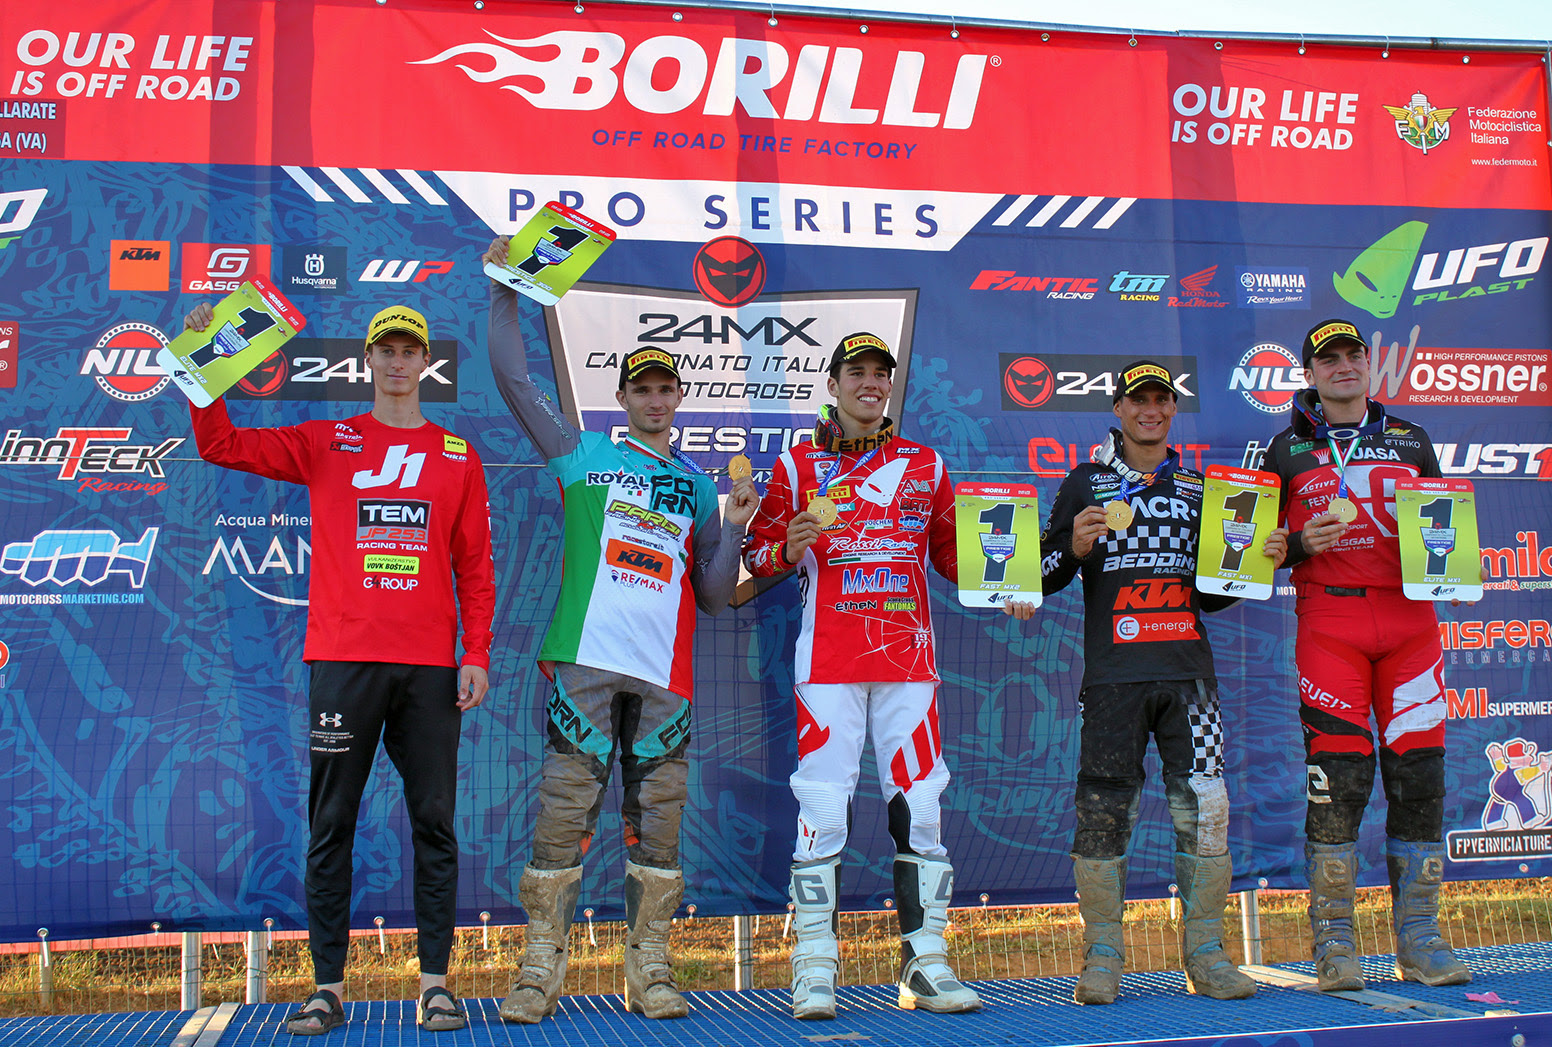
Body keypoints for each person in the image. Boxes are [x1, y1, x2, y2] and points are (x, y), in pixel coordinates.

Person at [184, 301, 495, 1035]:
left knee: (435, 824)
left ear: (426, 362)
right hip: (343, 660)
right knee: (331, 825)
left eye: (409, 350)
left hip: (428, 668)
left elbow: (475, 566)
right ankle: (326, 987)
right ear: (368, 360)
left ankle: (435, 985)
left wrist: (476, 652)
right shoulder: (327, 439)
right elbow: (220, 443)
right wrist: (203, 360)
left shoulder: (457, 454)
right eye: (386, 349)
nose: (397, 361)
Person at [481, 238, 756, 1022]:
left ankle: (651, 969)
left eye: (667, 388)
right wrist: (505, 292)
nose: (656, 400)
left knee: (659, 824)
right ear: (623, 395)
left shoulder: (697, 486)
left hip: (666, 678)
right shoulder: (580, 452)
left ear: (681, 396)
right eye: (643, 388)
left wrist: (735, 527)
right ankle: (539, 967)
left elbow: (712, 595)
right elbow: (513, 379)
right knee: (562, 814)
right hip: (586, 665)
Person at [1004, 360, 1259, 1005]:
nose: (1151, 409)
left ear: (1172, 410)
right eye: (1138, 399)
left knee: (1207, 810)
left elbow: (1214, 595)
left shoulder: (1200, 488)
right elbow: (1046, 574)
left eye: (1161, 400)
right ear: (1117, 408)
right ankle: (1102, 958)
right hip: (1113, 680)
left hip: (1189, 678)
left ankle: (1207, 955)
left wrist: (1253, 561)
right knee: (1102, 812)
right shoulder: (1086, 481)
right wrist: (1075, 547)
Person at [742, 332, 981, 1020]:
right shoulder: (796, 464)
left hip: (908, 662)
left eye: (881, 373)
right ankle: (814, 965)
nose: (871, 383)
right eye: (858, 372)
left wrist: (1009, 582)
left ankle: (925, 962)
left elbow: (954, 557)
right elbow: (758, 556)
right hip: (828, 663)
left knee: (922, 808)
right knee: (822, 811)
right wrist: (784, 548)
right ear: (834, 384)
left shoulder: (926, 463)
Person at [1264, 318, 1470, 990]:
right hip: (1331, 622)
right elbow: (1249, 549)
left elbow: (1444, 527)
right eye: (1330, 358)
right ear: (1310, 373)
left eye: (1354, 354)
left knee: (1420, 775)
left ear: (1368, 364)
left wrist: (1453, 562)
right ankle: (1334, 943)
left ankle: (1420, 938)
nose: (1345, 365)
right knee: (1339, 777)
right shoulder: (1286, 448)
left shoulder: (1412, 438)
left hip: (1410, 623)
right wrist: (1300, 544)